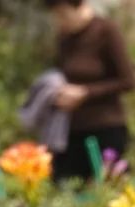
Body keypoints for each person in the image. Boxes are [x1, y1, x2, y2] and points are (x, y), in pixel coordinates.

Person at [45, 0, 135, 183]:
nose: (60, 21)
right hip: (71, 130)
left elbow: (128, 80)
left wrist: (86, 93)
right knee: (64, 185)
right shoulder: (64, 38)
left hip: (105, 127)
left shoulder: (106, 31)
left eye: (63, 15)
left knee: (109, 186)